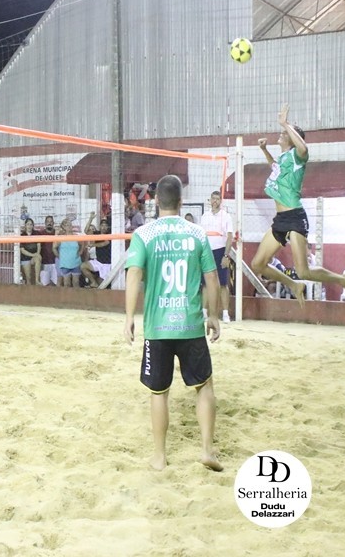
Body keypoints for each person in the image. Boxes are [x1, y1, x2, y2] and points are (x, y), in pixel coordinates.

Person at [124, 174, 223, 472]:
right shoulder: (197, 233)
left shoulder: (143, 234)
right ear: (181, 202)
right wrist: (213, 315)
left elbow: (133, 274)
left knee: (159, 393)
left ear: (156, 201)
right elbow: (212, 278)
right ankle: (207, 450)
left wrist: (129, 317)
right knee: (204, 386)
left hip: (157, 327)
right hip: (190, 324)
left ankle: (159, 456)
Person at [251, 103, 345, 305]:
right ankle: (293, 285)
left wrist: (286, 123)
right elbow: (275, 167)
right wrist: (264, 150)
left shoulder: (298, 156)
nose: (281, 134)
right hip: (281, 219)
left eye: (284, 133)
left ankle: (344, 280)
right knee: (258, 264)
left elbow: (304, 148)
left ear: (292, 139)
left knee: (303, 271)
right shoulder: (284, 158)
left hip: (294, 217)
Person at [199, 191, 234, 323]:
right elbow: (201, 236)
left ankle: (225, 314)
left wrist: (226, 255)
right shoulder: (205, 216)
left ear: (221, 201)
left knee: (223, 283)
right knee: (205, 283)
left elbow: (229, 237)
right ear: (210, 200)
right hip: (207, 251)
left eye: (217, 199)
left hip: (220, 251)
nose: (215, 201)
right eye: (213, 198)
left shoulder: (226, 216)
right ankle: (204, 312)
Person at [82, 217, 112, 288]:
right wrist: (90, 219)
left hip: (106, 264)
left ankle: (96, 283)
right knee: (83, 266)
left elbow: (104, 243)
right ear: (100, 226)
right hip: (98, 261)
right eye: (102, 225)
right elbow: (86, 231)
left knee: (101, 286)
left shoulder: (109, 234)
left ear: (108, 227)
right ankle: (93, 282)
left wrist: (93, 245)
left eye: (105, 226)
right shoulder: (97, 233)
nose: (104, 227)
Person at [53, 218, 82, 287]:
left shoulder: (76, 236)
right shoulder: (61, 238)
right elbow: (54, 248)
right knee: (66, 284)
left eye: (70, 225)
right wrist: (59, 256)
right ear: (64, 227)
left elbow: (82, 245)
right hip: (65, 264)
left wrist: (80, 252)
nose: (69, 226)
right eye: (67, 225)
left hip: (75, 262)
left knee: (76, 283)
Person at [37, 215, 58, 286]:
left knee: (57, 285)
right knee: (44, 285)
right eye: (48, 221)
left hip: (56, 263)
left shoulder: (57, 233)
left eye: (51, 221)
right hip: (44, 263)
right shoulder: (40, 234)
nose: (49, 223)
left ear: (53, 223)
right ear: (45, 223)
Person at [19, 218, 41, 285]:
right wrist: (33, 255)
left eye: (31, 224)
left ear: (33, 226)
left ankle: (37, 280)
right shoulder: (22, 235)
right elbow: (22, 251)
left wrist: (37, 254)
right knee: (28, 278)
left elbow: (39, 245)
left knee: (38, 257)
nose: (29, 226)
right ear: (25, 225)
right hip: (25, 258)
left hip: (33, 258)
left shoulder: (36, 234)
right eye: (28, 224)